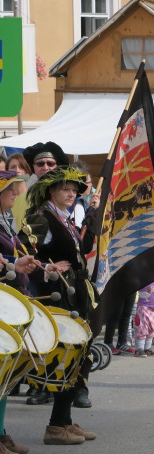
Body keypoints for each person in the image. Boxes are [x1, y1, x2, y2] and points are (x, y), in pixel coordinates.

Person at [19, 166, 99, 444]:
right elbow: (22, 253)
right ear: (52, 190)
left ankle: (64, 421)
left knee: (79, 356)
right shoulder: (41, 218)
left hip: (75, 295)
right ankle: (55, 426)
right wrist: (46, 268)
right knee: (68, 356)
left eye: (75, 190)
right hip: (57, 296)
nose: (71, 193)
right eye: (66, 188)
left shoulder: (63, 218)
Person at [0, 171, 42, 454]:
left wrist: (16, 263)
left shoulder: (5, 220)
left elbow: (4, 259)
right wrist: (13, 266)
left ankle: (1, 434)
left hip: (9, 298)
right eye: (12, 191)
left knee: (3, 376)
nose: (16, 196)